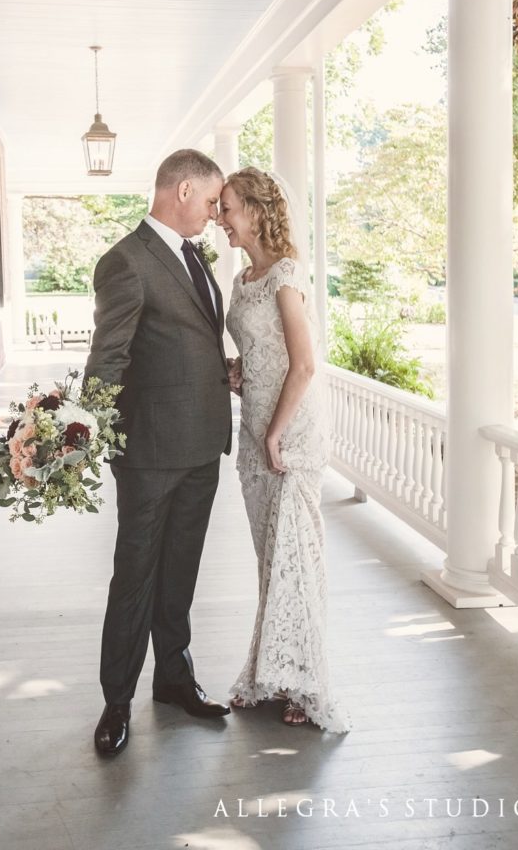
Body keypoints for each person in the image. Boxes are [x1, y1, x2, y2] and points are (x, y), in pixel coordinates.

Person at [85, 148, 233, 757]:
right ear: (184, 189)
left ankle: (173, 678)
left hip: (202, 446)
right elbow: (109, 356)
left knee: (181, 572)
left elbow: (184, 341)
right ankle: (116, 701)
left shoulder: (192, 256)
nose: (216, 213)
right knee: (135, 577)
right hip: (149, 452)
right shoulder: (126, 261)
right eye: (212, 200)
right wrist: (84, 430)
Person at [217, 166, 351, 732]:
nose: (219, 219)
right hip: (254, 428)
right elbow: (263, 350)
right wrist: (239, 372)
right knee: (271, 559)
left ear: (254, 210)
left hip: (289, 435)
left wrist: (274, 432)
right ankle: (270, 671)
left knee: (297, 558)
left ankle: (307, 682)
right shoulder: (243, 277)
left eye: (226, 208)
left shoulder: (286, 276)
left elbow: (304, 364)